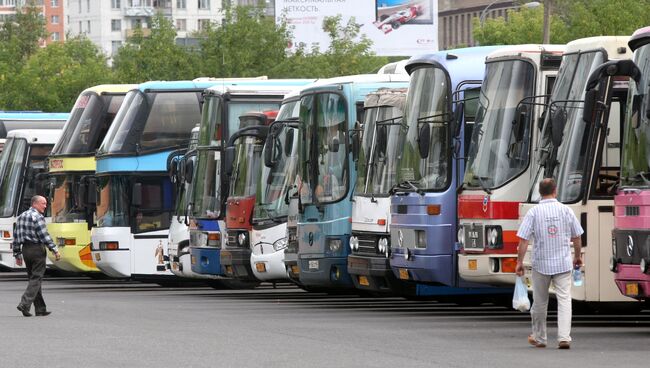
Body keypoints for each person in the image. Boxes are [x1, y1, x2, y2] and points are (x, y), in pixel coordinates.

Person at [515, 178, 583, 349]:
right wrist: (577, 256)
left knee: (539, 302)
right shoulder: (566, 210)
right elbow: (577, 236)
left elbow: (523, 240)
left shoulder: (533, 212)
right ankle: (564, 338)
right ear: (555, 191)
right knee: (564, 299)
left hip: (541, 264)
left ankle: (540, 338)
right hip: (563, 263)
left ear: (540, 192)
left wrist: (519, 262)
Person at [13, 195, 61, 317]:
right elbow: (44, 235)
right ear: (34, 204)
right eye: (43, 203)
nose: (45, 206)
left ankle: (40, 309)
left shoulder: (21, 216)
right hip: (36, 249)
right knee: (37, 278)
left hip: (26, 250)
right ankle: (24, 303)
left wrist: (17, 253)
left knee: (33, 279)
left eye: (45, 203)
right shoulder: (37, 217)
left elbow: (16, 236)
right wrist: (54, 249)